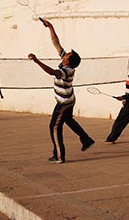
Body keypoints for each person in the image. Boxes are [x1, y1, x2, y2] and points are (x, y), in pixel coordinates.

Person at [28, 18, 95, 164]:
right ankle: (86, 139)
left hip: (64, 102)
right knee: (68, 120)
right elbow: (56, 43)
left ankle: (59, 155)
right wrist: (50, 26)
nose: (65, 53)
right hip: (70, 99)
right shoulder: (66, 61)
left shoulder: (66, 70)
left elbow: (52, 72)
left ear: (68, 60)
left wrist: (36, 60)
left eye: (68, 54)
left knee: (54, 126)